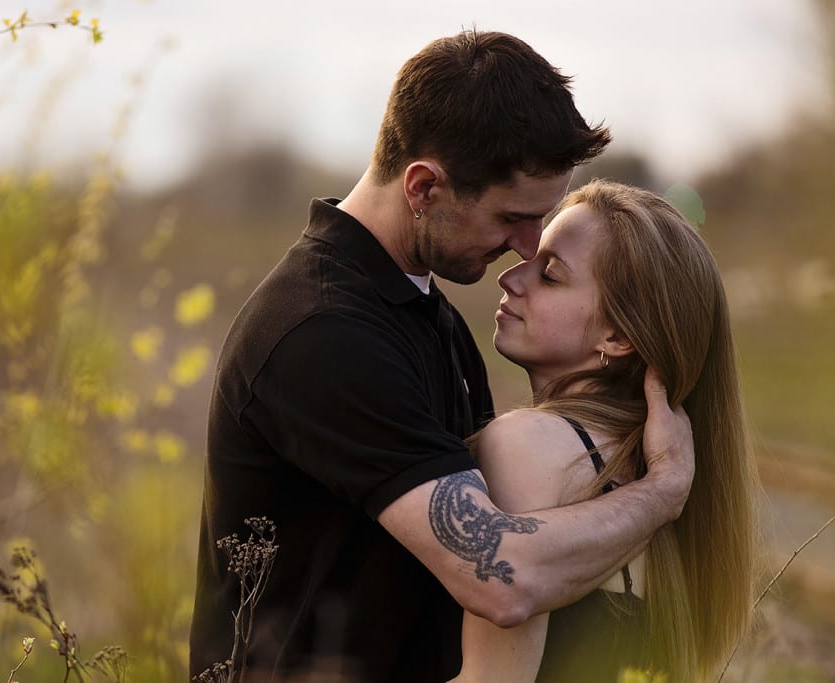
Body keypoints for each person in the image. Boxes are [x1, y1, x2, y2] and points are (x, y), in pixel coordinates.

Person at [190, 30, 695, 683]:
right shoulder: (323, 335)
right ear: (424, 187)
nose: (526, 246)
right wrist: (664, 489)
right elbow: (504, 581)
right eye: (512, 217)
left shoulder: (431, 317)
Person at [453, 180, 758, 682]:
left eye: (549, 275)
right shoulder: (651, 464)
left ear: (616, 337)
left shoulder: (529, 446)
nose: (510, 278)